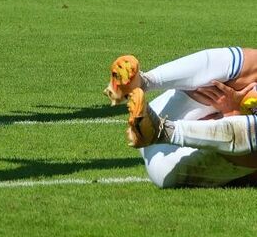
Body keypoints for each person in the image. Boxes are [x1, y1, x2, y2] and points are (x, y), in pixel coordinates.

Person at [108, 49, 257, 188]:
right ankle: (144, 81)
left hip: (175, 160)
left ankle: (162, 131)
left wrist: (232, 113)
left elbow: (250, 163)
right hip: (168, 109)